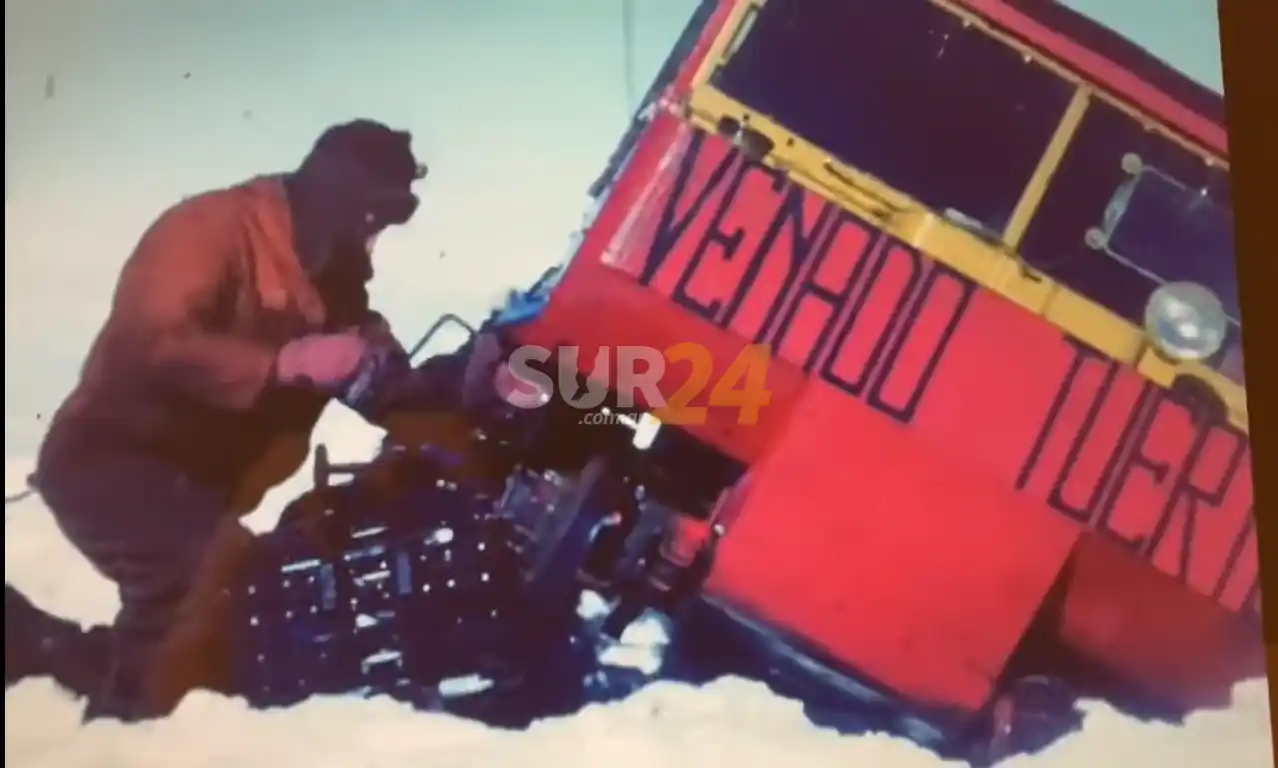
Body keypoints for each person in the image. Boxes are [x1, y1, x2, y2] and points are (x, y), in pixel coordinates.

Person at [33, 119, 434, 722]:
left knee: (236, 601)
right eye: (368, 224)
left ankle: (40, 649)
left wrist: (451, 389)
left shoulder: (329, 274)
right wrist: (285, 363)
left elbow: (375, 366)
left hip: (192, 486)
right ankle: (130, 739)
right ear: (338, 205)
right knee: (208, 580)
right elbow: (154, 343)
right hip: (108, 460)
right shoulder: (206, 228)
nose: (372, 245)